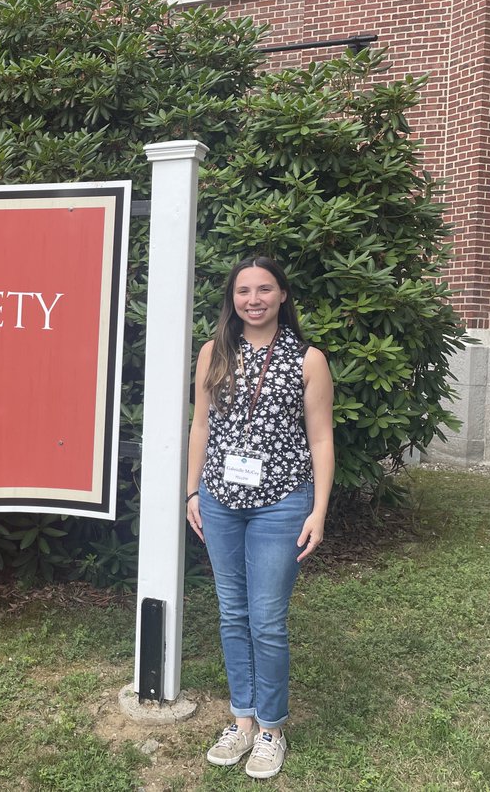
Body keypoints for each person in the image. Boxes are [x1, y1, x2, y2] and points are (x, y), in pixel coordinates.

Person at [185, 255, 334, 779]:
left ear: (282, 296)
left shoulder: (307, 359)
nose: (254, 299)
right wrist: (192, 491)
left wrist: (318, 509)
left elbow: (320, 438)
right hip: (221, 499)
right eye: (243, 290)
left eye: (264, 289)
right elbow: (201, 426)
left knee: (266, 619)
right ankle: (241, 720)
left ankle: (271, 729)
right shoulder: (213, 353)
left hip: (282, 502)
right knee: (232, 614)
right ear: (232, 298)